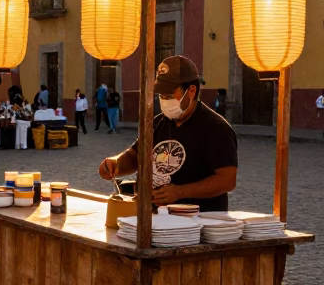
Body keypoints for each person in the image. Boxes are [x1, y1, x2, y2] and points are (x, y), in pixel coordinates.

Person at [97, 56, 238, 211]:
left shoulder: (216, 128)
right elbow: (136, 155)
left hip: (197, 224)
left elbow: (227, 180)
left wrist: (179, 192)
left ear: (191, 91)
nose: (164, 100)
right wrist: (116, 164)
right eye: (161, 95)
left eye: (169, 95)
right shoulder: (158, 123)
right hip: (154, 218)